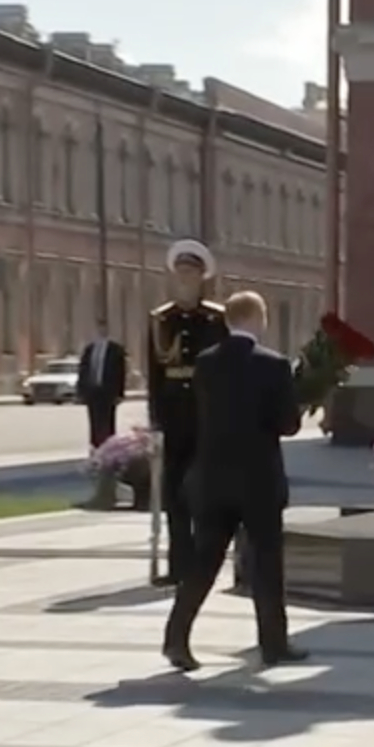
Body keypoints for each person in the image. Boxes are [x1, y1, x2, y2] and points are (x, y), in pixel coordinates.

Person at [162, 291, 307, 670]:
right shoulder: (273, 365)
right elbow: (287, 425)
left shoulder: (206, 364)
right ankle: (273, 645)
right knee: (266, 563)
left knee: (204, 562)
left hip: (213, 480)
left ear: (228, 321)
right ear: (260, 319)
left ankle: (176, 638)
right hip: (258, 480)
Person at [147, 239, 230, 587]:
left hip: (206, 417)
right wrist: (155, 421)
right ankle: (178, 565)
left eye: (191, 274)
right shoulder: (159, 320)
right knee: (174, 496)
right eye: (180, 274)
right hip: (174, 418)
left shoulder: (216, 319)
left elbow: (225, 371)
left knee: (206, 494)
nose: (185, 280)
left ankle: (203, 562)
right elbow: (155, 374)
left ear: (201, 278)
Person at [76, 323, 126, 449]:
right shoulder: (89, 349)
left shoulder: (115, 350)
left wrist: (119, 393)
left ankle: (109, 447)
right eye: (99, 329)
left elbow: (120, 372)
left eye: (103, 329)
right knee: (93, 420)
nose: (100, 332)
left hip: (108, 391)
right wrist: (81, 391)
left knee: (108, 420)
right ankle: (95, 446)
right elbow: (83, 370)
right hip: (92, 390)